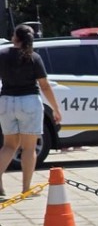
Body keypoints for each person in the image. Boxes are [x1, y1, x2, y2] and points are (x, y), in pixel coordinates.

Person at [0, 24, 62, 199]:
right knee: (28, 148)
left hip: (6, 102)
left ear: (14, 37)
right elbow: (45, 86)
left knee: (9, 145)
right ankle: (26, 188)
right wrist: (56, 109)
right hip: (29, 102)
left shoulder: (2, 55)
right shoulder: (34, 57)